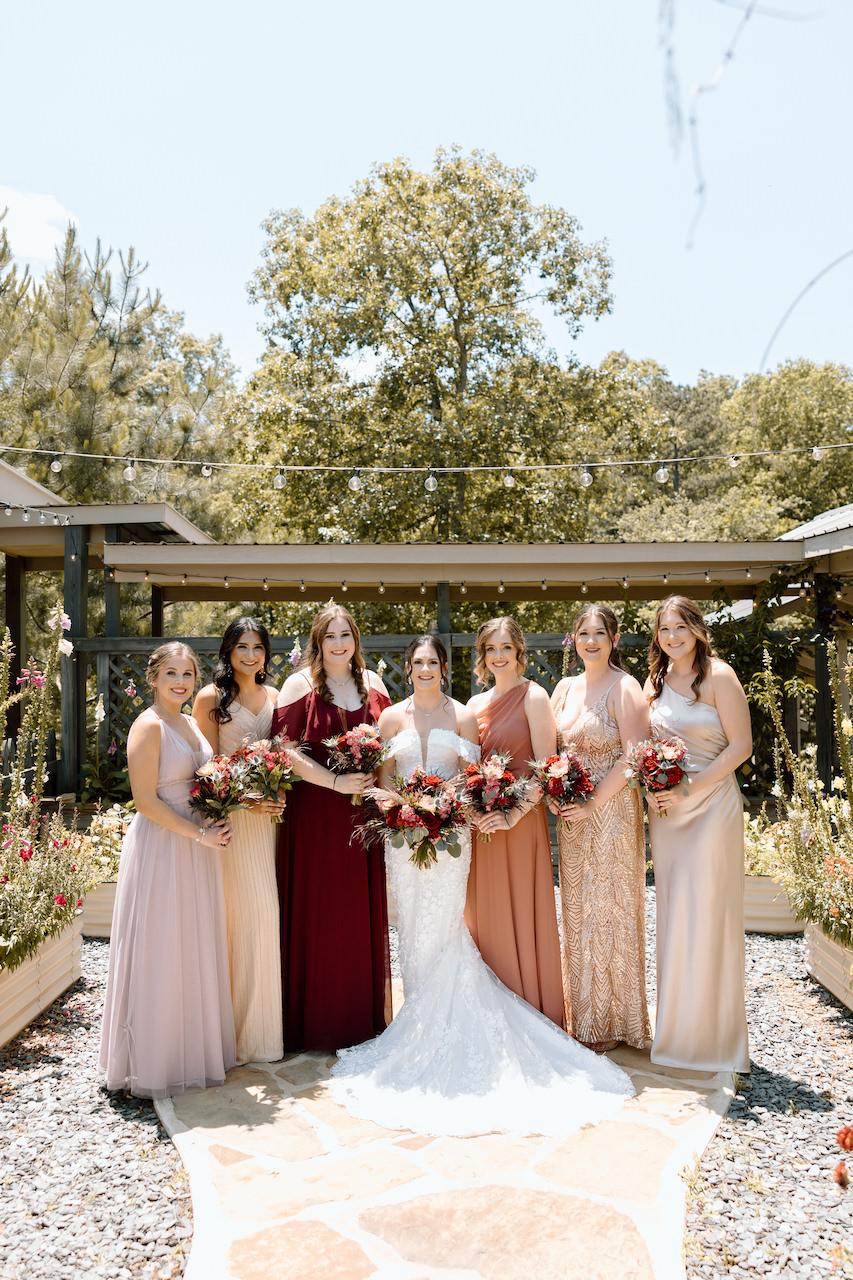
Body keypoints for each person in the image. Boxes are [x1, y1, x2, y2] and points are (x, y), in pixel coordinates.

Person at [330, 635, 634, 1137]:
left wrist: (447, 809)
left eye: (434, 662)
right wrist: (402, 812)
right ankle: (418, 1022)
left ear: (445, 669)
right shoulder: (389, 720)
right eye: (418, 662)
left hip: (452, 836)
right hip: (405, 843)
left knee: (448, 927)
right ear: (408, 669)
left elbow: (472, 776)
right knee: (413, 932)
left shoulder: (464, 716)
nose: (426, 668)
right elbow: (380, 781)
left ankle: (450, 1025)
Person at [99, 643, 236, 1098]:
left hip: (197, 842)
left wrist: (218, 813)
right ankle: (154, 1060)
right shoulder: (149, 725)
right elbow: (145, 802)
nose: (181, 681)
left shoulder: (192, 722)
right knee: (162, 945)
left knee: (190, 943)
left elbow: (202, 778)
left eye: (188, 673)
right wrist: (198, 834)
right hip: (164, 845)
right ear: (154, 677)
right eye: (172, 673)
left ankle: (188, 1049)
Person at [272, 604, 392, 1051]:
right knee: (321, 913)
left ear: (356, 639)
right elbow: (284, 750)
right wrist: (336, 782)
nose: (339, 644)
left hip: (362, 817)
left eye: (346, 635)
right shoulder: (298, 685)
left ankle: (360, 1018)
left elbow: (392, 741)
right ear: (317, 642)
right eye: (330, 637)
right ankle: (317, 1022)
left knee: (356, 915)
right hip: (317, 817)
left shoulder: (374, 686)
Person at [644, 595, 752, 1073]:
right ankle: (678, 1036)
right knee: (674, 915)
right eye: (664, 630)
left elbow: (741, 747)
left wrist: (690, 787)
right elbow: (649, 747)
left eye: (680, 629)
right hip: (668, 815)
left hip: (710, 808)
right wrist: (651, 787)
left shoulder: (720, 676)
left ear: (697, 630)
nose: (672, 638)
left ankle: (716, 1042)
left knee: (708, 916)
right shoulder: (656, 679)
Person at [549, 605, 651, 1052]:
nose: (592, 641)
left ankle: (614, 1023)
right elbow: (550, 751)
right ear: (574, 639)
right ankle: (583, 1020)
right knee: (577, 913)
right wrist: (554, 790)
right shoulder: (563, 688)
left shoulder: (624, 687)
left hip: (609, 815)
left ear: (613, 640)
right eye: (584, 633)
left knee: (609, 913)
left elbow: (634, 757)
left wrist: (591, 803)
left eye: (600, 633)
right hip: (573, 820)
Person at [463, 617, 565, 1027]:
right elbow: (465, 770)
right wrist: (479, 813)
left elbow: (546, 768)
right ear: (483, 656)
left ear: (519, 651)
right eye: (491, 649)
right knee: (484, 915)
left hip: (521, 824)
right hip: (483, 826)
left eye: (506, 647)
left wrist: (512, 815)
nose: (499, 656)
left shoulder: (534, 696)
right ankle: (490, 1014)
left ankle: (530, 1010)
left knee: (523, 909)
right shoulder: (472, 706)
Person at [193, 618, 284, 1065]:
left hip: (271, 825)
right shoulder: (211, 699)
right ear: (228, 651)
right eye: (241, 647)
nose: (250, 656)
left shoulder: (277, 696)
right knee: (243, 921)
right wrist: (248, 799)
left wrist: (280, 790)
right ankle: (238, 1038)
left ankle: (265, 1033)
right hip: (234, 825)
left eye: (258, 648)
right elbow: (204, 771)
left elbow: (286, 757)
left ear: (267, 653)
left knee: (267, 921)